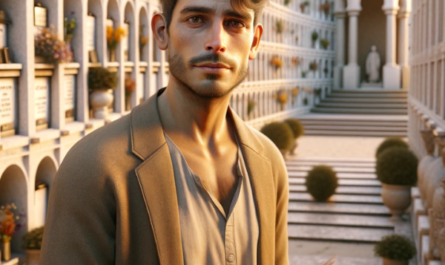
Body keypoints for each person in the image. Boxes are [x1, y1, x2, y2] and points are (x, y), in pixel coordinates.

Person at [40, 0, 289, 264]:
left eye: (235, 23)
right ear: (161, 32)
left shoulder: (269, 164)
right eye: (196, 19)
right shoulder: (94, 168)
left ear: (254, 42)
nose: (217, 42)